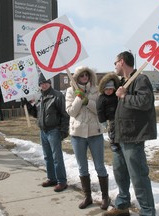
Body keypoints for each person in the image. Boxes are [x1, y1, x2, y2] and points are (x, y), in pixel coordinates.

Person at [103, 51, 157, 216]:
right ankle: (122, 205)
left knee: (138, 176)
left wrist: (125, 96)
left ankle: (148, 212)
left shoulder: (140, 79)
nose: (114, 67)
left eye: (115, 63)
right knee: (120, 173)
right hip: (120, 136)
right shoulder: (123, 82)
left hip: (134, 136)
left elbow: (145, 102)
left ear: (121, 61)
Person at [65, 66, 110, 210]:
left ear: (90, 76)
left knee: (99, 166)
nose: (84, 77)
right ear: (77, 77)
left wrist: (87, 101)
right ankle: (87, 196)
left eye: (87, 75)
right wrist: (79, 98)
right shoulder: (70, 91)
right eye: (81, 75)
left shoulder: (96, 91)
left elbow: (99, 111)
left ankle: (105, 196)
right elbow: (71, 112)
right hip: (77, 135)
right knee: (82, 167)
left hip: (95, 133)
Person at [22, 73, 70, 192]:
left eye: (45, 83)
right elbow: (36, 114)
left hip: (54, 130)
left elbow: (65, 114)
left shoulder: (57, 96)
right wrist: (27, 105)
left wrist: (63, 131)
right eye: (41, 83)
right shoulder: (41, 98)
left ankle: (62, 181)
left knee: (56, 157)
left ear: (50, 83)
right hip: (43, 131)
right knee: (47, 156)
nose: (43, 85)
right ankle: (51, 178)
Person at [96, 73, 120, 152]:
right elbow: (99, 110)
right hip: (110, 117)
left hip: (118, 116)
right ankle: (113, 142)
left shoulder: (116, 96)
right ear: (103, 89)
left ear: (113, 89)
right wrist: (102, 121)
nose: (109, 91)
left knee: (119, 128)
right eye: (107, 89)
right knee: (112, 129)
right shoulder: (102, 98)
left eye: (110, 89)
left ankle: (119, 140)